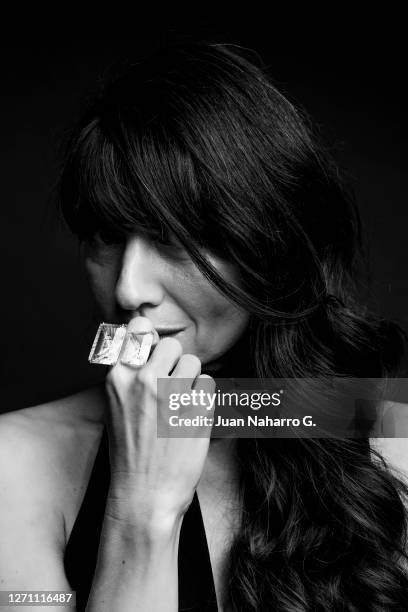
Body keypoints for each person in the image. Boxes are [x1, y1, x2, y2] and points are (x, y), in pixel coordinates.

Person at [0, 40, 408, 611]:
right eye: (106, 237)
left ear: (269, 248)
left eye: (171, 240)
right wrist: (141, 511)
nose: (127, 289)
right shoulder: (12, 466)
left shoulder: (383, 434)